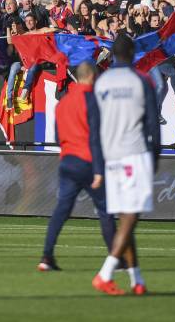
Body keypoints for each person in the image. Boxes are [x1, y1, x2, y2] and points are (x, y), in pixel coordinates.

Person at [90, 34, 160, 296]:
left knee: (125, 219)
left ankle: (136, 280)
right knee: (131, 216)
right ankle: (105, 273)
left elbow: (94, 128)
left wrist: (98, 164)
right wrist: (154, 159)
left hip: (110, 157)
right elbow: (153, 124)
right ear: (132, 53)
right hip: (134, 153)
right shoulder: (142, 80)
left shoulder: (101, 82)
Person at [38, 62, 116, 272]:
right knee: (105, 212)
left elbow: (56, 136)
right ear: (91, 77)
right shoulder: (93, 100)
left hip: (67, 162)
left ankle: (46, 257)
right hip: (89, 163)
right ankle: (116, 260)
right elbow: (96, 139)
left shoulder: (63, 102)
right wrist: (99, 170)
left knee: (61, 210)